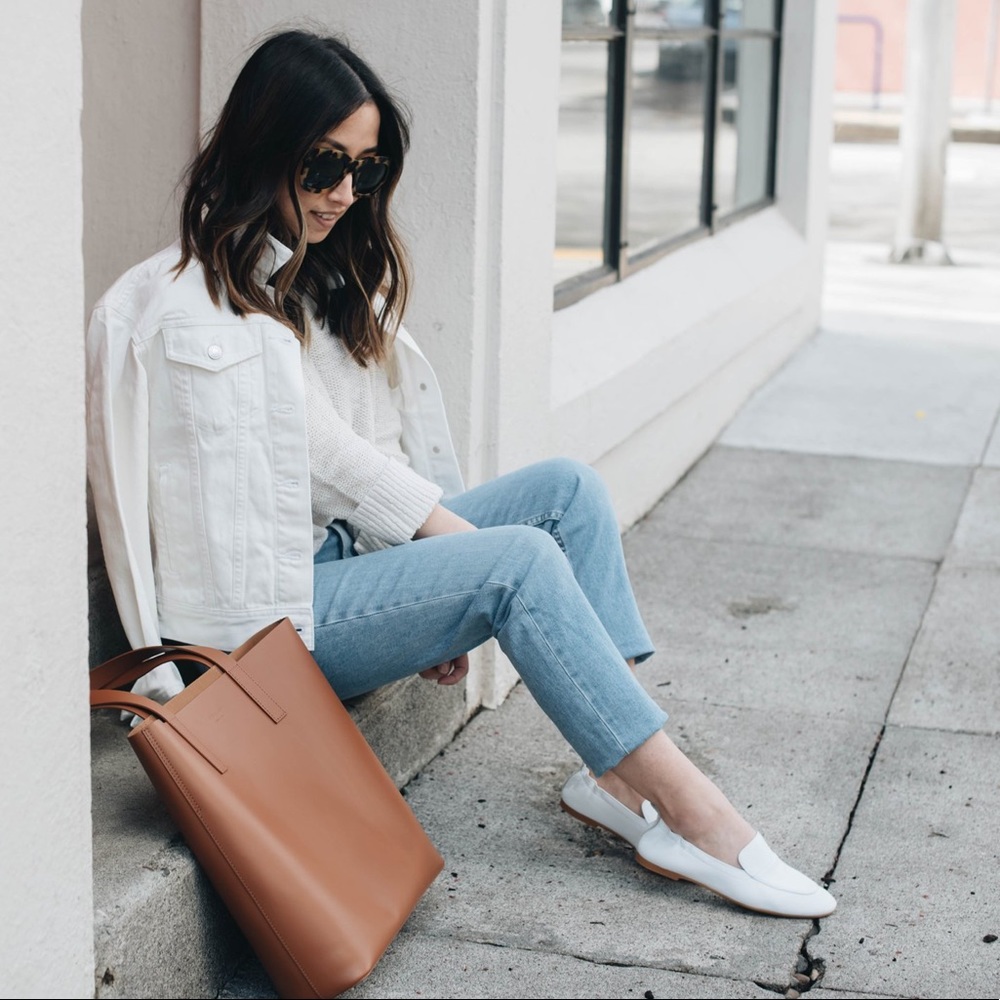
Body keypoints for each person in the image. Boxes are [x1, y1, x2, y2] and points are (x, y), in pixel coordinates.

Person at [86, 28, 835, 920]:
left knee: (568, 491)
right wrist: (455, 559)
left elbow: (373, 455)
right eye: (325, 163)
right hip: (268, 632)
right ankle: (693, 813)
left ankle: (624, 783)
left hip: (329, 570)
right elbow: (328, 458)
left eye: (365, 170)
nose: (343, 193)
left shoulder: (306, 279)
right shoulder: (190, 308)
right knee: (514, 560)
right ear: (266, 144)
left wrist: (431, 585)